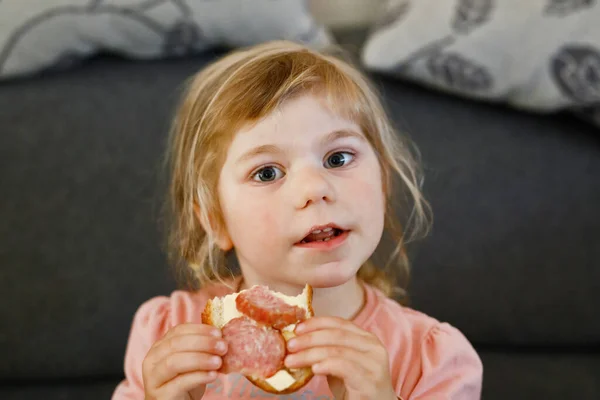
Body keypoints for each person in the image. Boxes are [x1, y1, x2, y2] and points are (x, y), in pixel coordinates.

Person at [112, 40, 483, 400]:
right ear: (215, 220)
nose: (314, 189)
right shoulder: (167, 335)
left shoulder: (431, 360)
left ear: (383, 182)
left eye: (338, 158)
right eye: (268, 173)